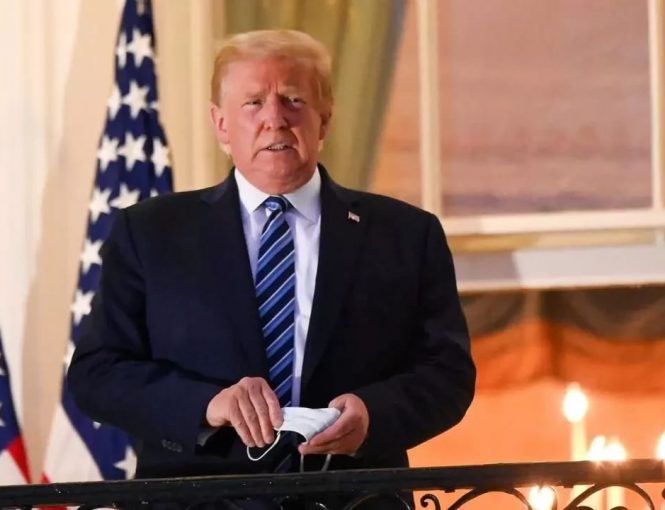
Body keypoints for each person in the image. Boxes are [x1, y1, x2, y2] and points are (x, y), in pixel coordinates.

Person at [68, 28, 475, 496]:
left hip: (353, 499)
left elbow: (447, 373)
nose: (275, 120)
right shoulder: (149, 233)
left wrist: (372, 416)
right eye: (254, 103)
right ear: (221, 124)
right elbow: (97, 372)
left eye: (294, 100)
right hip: (199, 502)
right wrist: (208, 405)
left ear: (325, 119)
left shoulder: (406, 235)